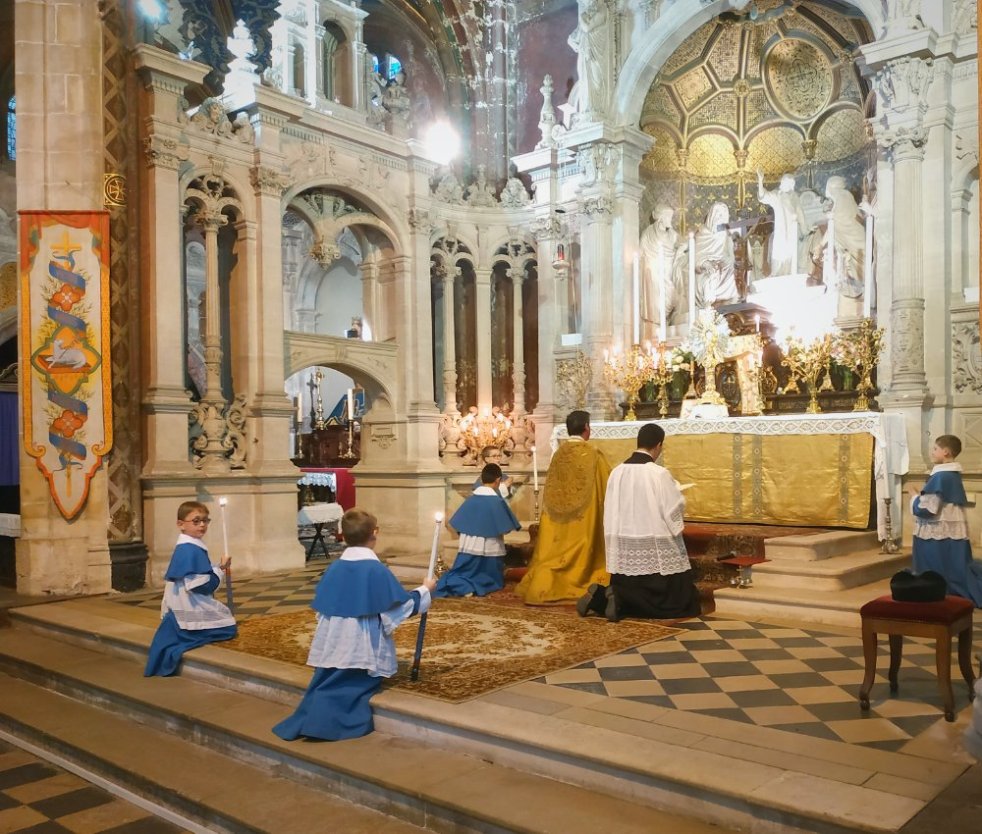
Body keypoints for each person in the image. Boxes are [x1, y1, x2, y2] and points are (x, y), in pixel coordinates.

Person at [272, 508, 435, 741]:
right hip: (360, 639)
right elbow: (398, 608)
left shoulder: (335, 566)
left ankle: (311, 716)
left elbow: (324, 603)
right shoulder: (375, 569)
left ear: (342, 535)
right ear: (375, 533)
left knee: (329, 675)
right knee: (352, 682)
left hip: (334, 636)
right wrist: (425, 591)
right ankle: (324, 723)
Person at [578, 423, 701, 622]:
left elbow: (610, 507)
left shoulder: (617, 472)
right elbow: (672, 509)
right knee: (681, 601)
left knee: (627, 586)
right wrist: (678, 500)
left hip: (624, 544)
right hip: (653, 541)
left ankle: (601, 597)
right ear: (659, 445)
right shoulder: (658, 473)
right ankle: (616, 597)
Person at [515, 410, 611, 604]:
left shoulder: (558, 454)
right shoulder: (593, 455)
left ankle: (546, 577)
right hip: (583, 521)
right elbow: (607, 485)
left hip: (557, 521)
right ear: (586, 428)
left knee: (553, 552)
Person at [144, 501, 237, 677]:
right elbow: (200, 586)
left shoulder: (190, 545)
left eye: (205, 520)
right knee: (228, 627)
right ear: (181, 524)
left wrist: (216, 567)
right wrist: (221, 569)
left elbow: (198, 573)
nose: (202, 525)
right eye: (196, 521)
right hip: (190, 602)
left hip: (183, 600)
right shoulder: (189, 549)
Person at [908, 435, 982, 607]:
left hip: (938, 530)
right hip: (948, 529)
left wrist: (914, 498)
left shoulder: (941, 477)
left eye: (935, 449)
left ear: (946, 452)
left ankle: (933, 592)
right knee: (954, 565)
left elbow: (928, 509)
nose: (932, 452)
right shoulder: (951, 474)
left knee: (937, 566)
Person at [435, 463, 522, 598]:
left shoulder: (471, 500)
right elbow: (505, 528)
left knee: (463, 572)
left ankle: (461, 585)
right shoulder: (496, 502)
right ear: (498, 480)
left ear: (481, 480)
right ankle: (468, 586)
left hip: (468, 548)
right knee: (493, 581)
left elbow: (459, 524)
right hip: (491, 550)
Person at [757, 171, 805, 276]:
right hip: (781, 230)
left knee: (792, 253)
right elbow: (763, 196)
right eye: (783, 182)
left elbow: (800, 214)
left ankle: (790, 272)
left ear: (791, 185)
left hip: (792, 230)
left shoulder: (794, 198)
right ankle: (777, 273)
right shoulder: (777, 195)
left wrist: (804, 229)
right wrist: (760, 181)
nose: (783, 184)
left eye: (787, 183)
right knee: (779, 250)